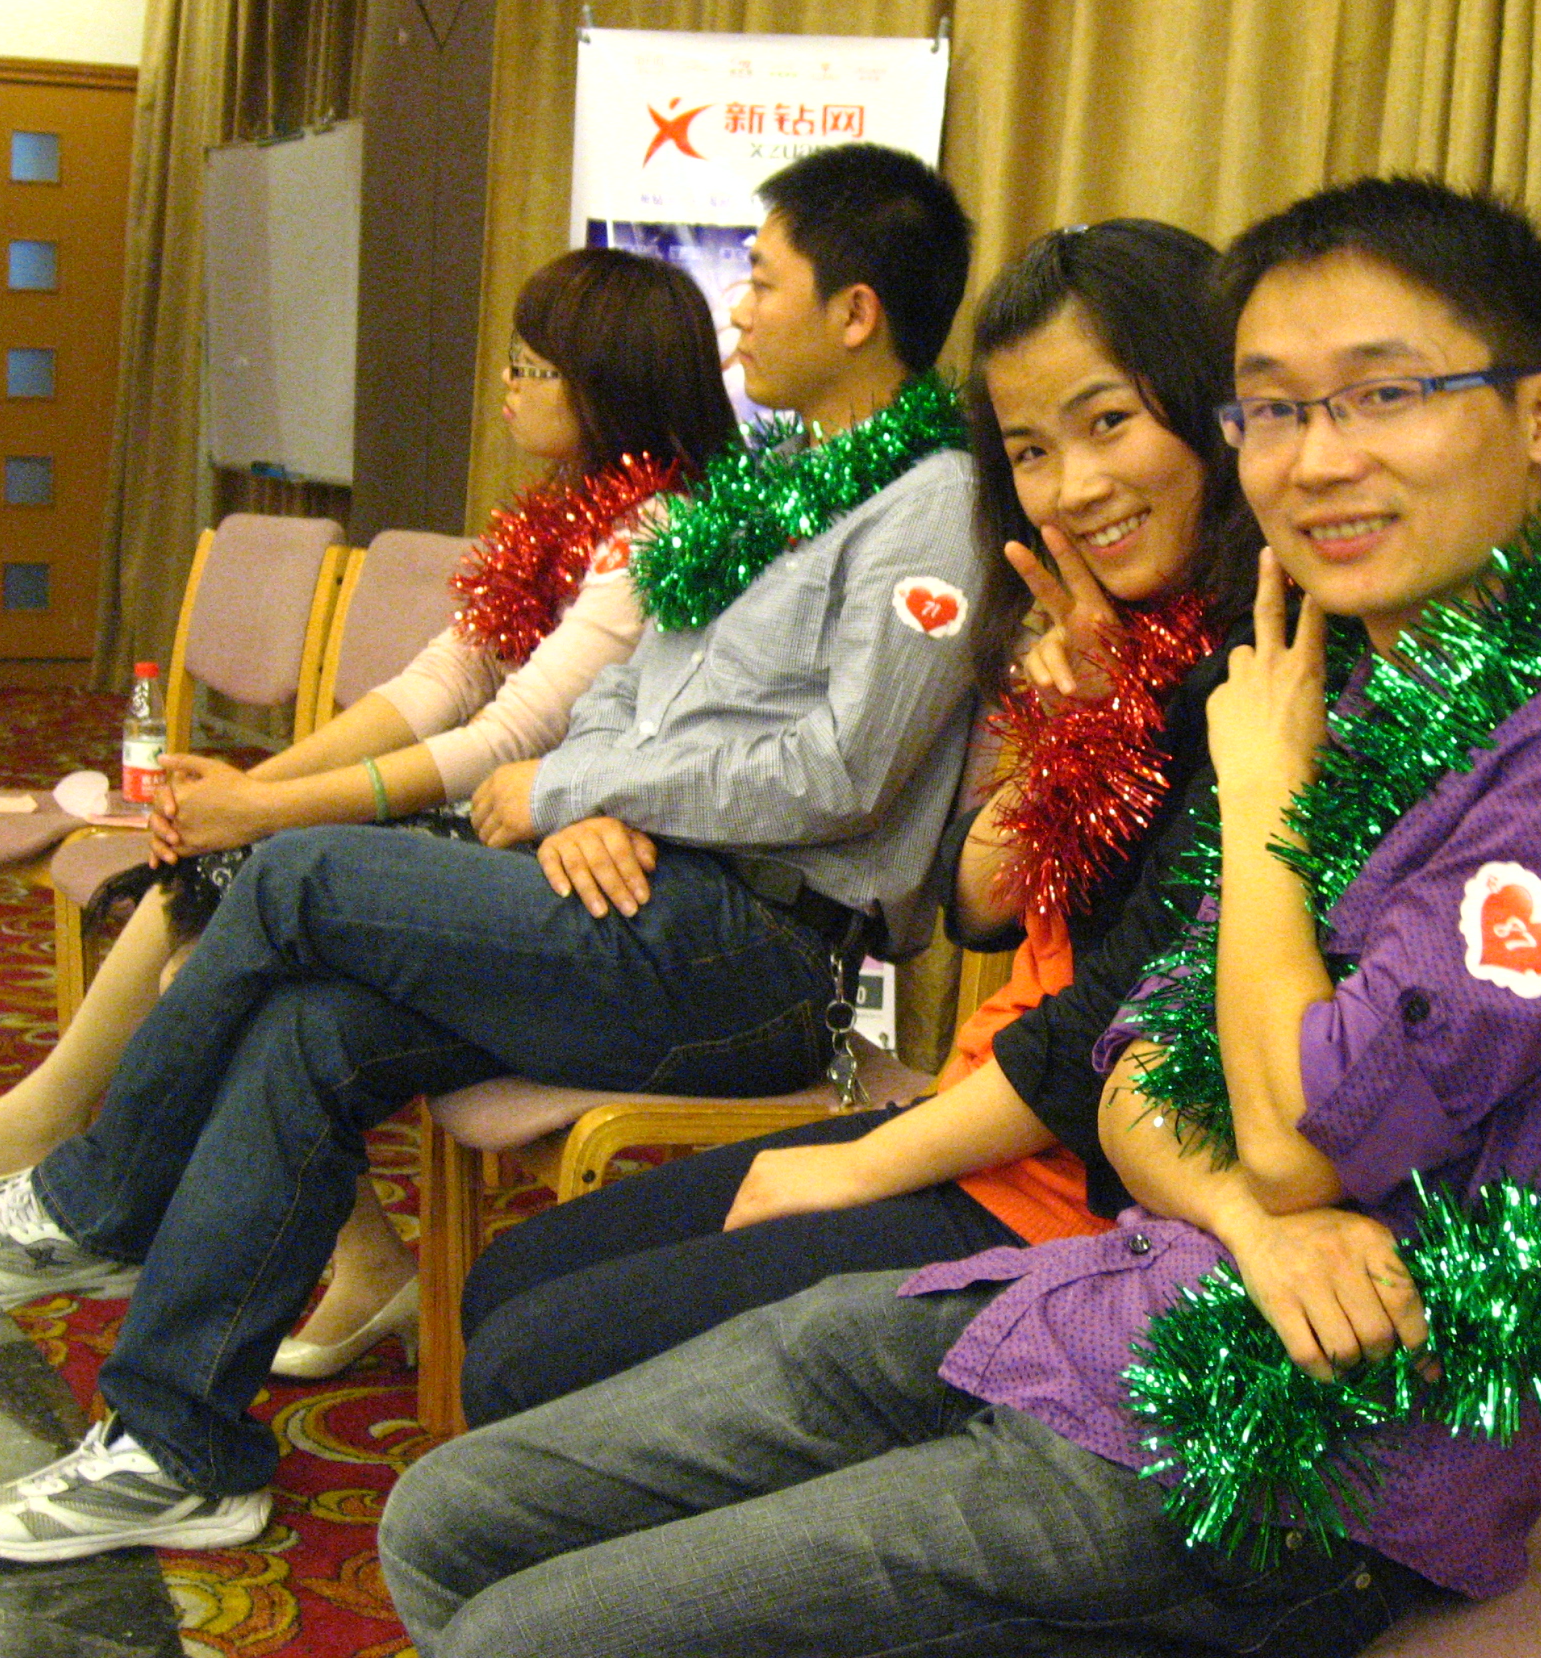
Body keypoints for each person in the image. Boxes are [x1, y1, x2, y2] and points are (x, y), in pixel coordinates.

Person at [373, 174, 1541, 1658]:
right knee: (446, 1519)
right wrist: (1248, 1213)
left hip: (1291, 1466)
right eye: (1273, 410)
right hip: (1098, 1304)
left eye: (1384, 396)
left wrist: (1260, 803)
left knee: (523, 1629)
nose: (1318, 460)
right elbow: (1132, 1073)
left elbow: (1300, 1131)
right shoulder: (1342, 691)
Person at [0, 140, 980, 1562]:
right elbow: (636, 698)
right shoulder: (778, 488)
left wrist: (580, 783)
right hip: (648, 896)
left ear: (856, 312)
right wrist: (590, 796)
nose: (740, 310)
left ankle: (95, 1199)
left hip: (764, 956)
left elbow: (839, 769)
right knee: (312, 1028)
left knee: (293, 872)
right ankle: (177, 1446)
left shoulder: (931, 506)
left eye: (764, 281)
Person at [454, 218, 1263, 1423]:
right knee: (512, 1279)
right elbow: (981, 905)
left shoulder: (1255, 682)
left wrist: (850, 1168)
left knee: (533, 1358)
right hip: (980, 1131)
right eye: (1032, 451)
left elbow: (1098, 1028)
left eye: (1109, 423)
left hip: (1059, 1194)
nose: (1076, 487)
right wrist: (1075, 733)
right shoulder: (1103, 630)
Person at [0, 246, 736, 1379]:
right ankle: (342, 1254)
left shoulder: (661, 532)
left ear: (608, 383)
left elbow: (509, 735)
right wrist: (257, 791)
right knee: (217, 919)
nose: (508, 384)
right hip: (498, 820)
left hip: (573, 849)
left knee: (240, 890)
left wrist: (267, 808)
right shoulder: (557, 517)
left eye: (532, 367)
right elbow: (436, 684)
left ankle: (66, 1139)